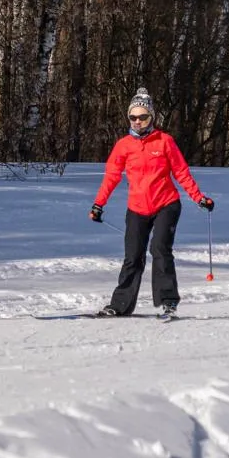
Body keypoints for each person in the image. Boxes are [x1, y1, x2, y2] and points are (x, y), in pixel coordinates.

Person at [89, 88, 214, 319]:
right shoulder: (124, 145)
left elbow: (181, 172)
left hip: (166, 204)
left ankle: (169, 302)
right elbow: (111, 176)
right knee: (133, 256)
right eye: (133, 117)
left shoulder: (165, 141)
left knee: (159, 248)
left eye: (143, 117)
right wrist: (98, 204)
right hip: (137, 208)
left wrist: (198, 197)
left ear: (151, 117)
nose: (137, 121)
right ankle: (120, 306)